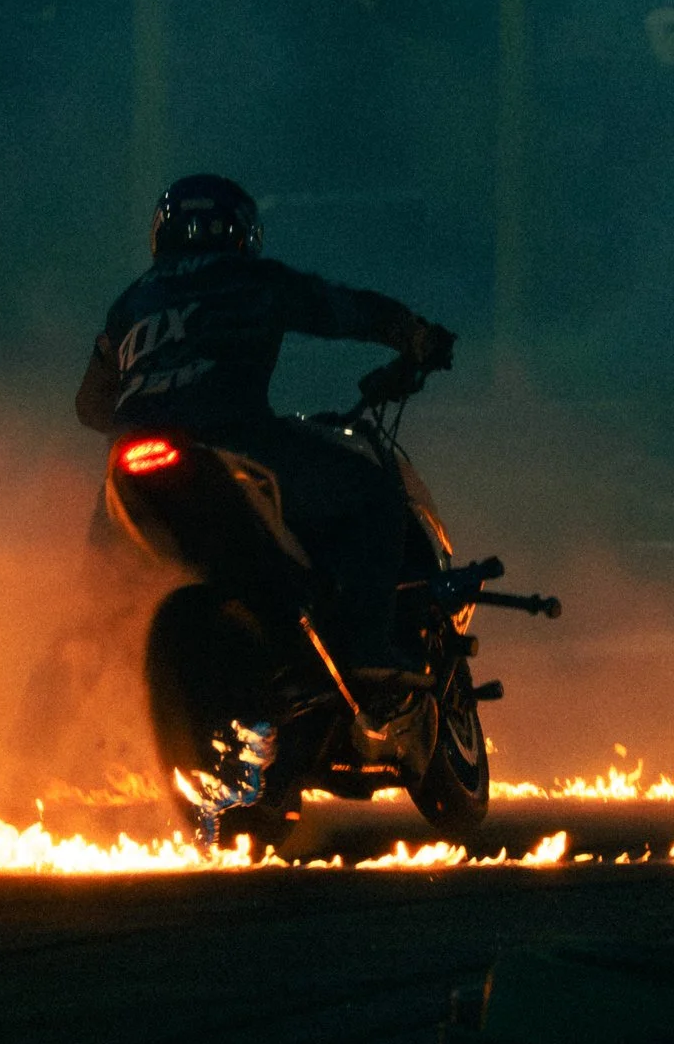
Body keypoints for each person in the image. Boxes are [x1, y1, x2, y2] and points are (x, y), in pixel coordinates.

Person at [74, 174, 456, 678]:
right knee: (374, 496)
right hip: (236, 441)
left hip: (129, 468)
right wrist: (416, 336)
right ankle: (367, 658)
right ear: (241, 232)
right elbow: (344, 310)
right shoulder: (253, 280)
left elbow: (91, 407)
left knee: (90, 609)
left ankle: (45, 728)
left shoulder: (129, 306)